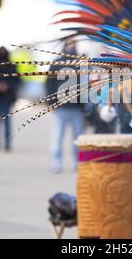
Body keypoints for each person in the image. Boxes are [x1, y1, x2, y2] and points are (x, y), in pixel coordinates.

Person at [45, 39, 85, 173]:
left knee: (78, 137)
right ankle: (56, 162)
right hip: (61, 106)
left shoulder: (81, 63)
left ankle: (78, 162)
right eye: (69, 44)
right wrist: (51, 103)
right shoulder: (56, 63)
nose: (72, 46)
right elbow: (49, 84)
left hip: (78, 108)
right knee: (58, 136)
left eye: (74, 44)